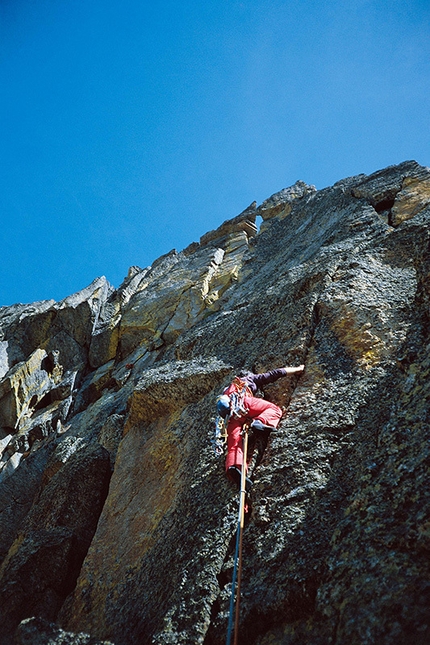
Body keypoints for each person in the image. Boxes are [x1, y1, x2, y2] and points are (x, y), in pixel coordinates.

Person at [216, 365, 305, 488]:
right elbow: (275, 373)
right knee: (273, 409)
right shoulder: (248, 379)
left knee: (234, 444)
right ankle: (261, 422)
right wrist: (298, 369)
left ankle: (234, 467)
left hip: (231, 417)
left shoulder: (227, 391)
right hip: (245, 403)